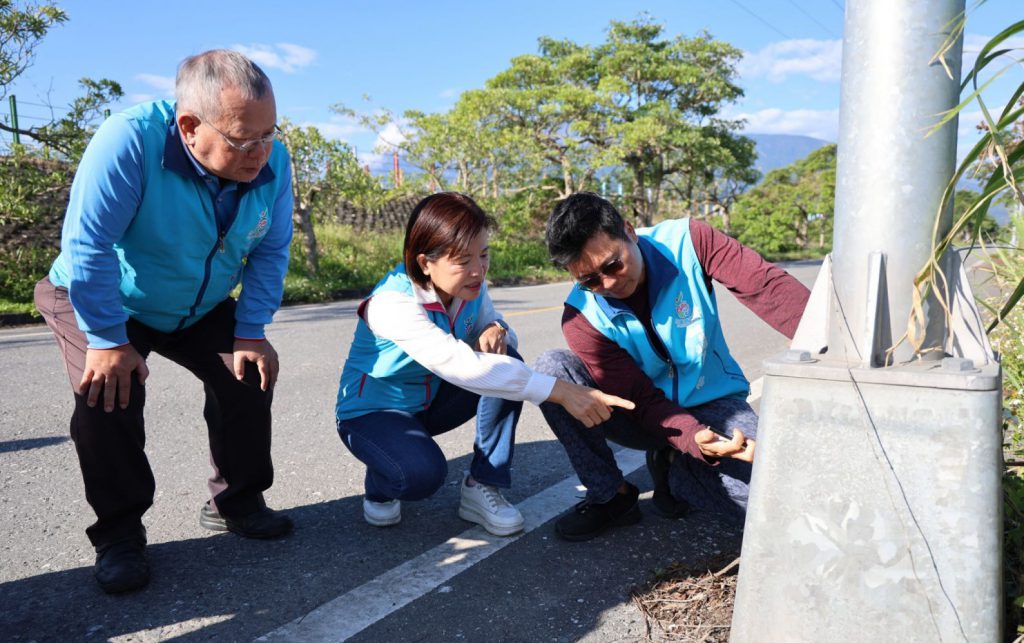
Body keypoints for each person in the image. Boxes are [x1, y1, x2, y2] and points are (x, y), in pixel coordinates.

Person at [34, 49, 295, 594]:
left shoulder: (272, 158)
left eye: (269, 134)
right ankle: (119, 532)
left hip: (197, 303)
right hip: (106, 297)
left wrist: (251, 330)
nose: (261, 153)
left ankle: (236, 500)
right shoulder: (129, 141)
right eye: (244, 141)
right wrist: (106, 338)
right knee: (108, 392)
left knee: (248, 374)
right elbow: (89, 245)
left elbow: (270, 250)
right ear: (189, 126)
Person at [335, 192, 634, 535]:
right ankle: (382, 477)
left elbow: (505, 338)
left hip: (430, 403)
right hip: (373, 414)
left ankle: (482, 484)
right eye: (463, 260)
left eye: (484, 255)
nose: (478, 271)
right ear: (424, 262)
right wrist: (560, 391)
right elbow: (460, 366)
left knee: (506, 360)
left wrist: (496, 328)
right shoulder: (393, 303)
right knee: (419, 476)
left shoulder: (469, 287)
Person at [534, 192, 810, 541]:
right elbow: (640, 398)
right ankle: (611, 495)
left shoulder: (691, 242)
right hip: (638, 413)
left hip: (714, 405)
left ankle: (677, 472)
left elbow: (766, 287)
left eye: (613, 265)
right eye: (589, 280)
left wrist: (819, 337)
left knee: (779, 491)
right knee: (550, 369)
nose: (608, 285)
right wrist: (694, 438)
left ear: (630, 231)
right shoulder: (580, 317)